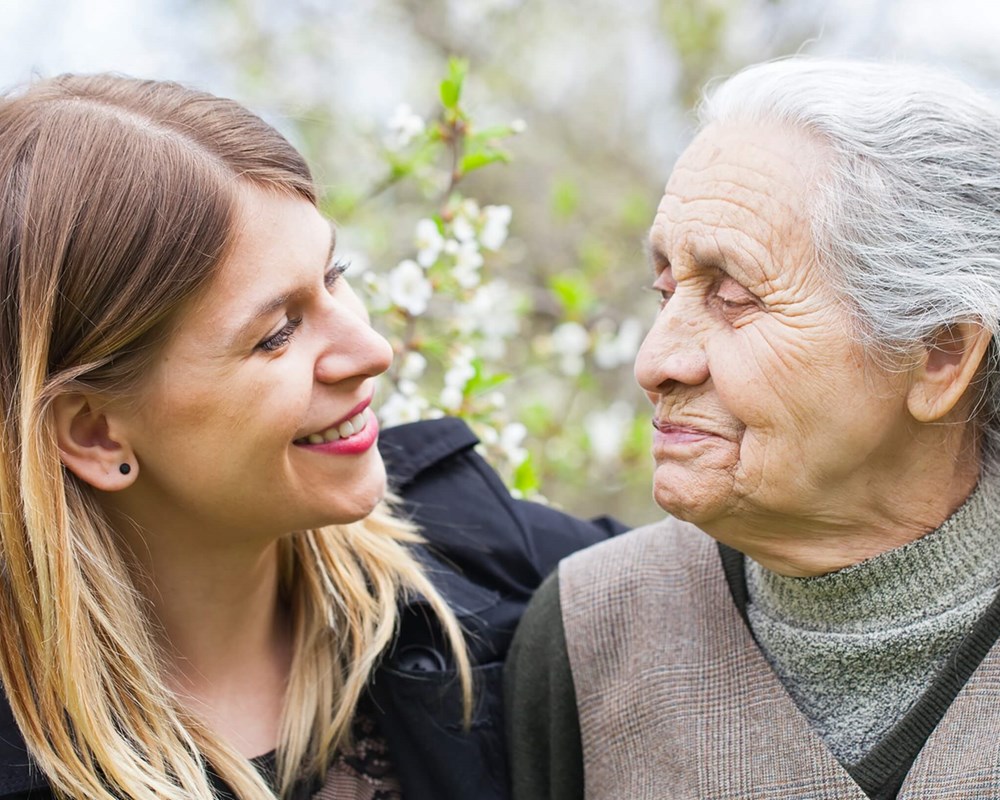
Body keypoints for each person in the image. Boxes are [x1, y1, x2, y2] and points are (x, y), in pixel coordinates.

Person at [0, 74, 622, 800]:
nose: (372, 350)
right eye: (278, 334)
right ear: (96, 433)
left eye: (337, 274)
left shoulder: (485, 565)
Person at [505, 57, 1000, 799]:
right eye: (665, 290)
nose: (656, 360)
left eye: (734, 297)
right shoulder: (591, 632)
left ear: (939, 354)